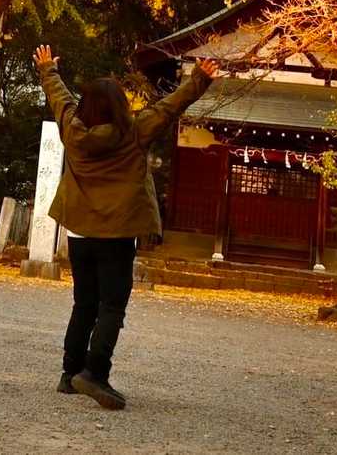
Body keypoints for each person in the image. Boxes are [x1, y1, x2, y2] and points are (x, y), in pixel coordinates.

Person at [32, 44, 219, 411]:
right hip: (117, 235)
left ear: (86, 107)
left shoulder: (72, 129)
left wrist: (47, 69)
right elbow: (169, 107)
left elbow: (60, 98)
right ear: (120, 106)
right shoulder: (134, 131)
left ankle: (70, 374)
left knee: (84, 304)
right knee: (111, 306)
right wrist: (200, 78)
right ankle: (95, 374)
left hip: (79, 233)